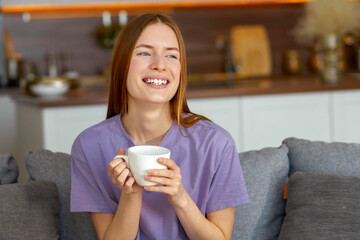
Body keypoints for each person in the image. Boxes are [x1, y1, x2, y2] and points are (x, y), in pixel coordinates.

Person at [70, 13, 249, 240]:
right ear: (122, 64)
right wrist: (131, 193)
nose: (160, 65)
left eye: (171, 56)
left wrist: (180, 197)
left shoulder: (216, 144)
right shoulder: (89, 146)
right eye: (144, 53)